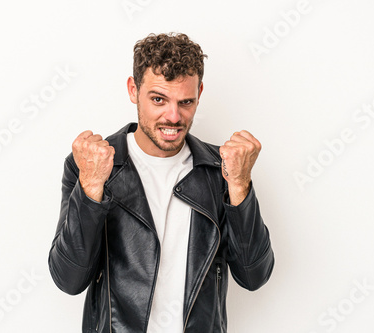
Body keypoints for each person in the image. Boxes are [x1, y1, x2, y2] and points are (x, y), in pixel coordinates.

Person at [48, 32, 274, 333]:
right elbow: (69, 278)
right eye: (158, 99)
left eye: (186, 102)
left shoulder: (222, 170)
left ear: (199, 93)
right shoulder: (92, 165)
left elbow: (253, 275)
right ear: (133, 89)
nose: (173, 116)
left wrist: (240, 187)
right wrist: (91, 189)